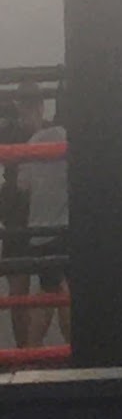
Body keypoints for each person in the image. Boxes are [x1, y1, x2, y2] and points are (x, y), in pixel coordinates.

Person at [0, 80, 46, 347]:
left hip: (47, 211)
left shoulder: (52, 130)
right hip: (18, 215)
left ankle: (33, 353)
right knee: (18, 291)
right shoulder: (9, 131)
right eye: (25, 104)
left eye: (34, 103)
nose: (30, 108)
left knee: (57, 285)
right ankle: (24, 355)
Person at [16, 124, 69, 348]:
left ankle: (31, 350)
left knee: (50, 290)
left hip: (38, 231)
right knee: (65, 292)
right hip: (62, 228)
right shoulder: (68, 138)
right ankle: (74, 350)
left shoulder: (33, 142)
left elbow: (22, 186)